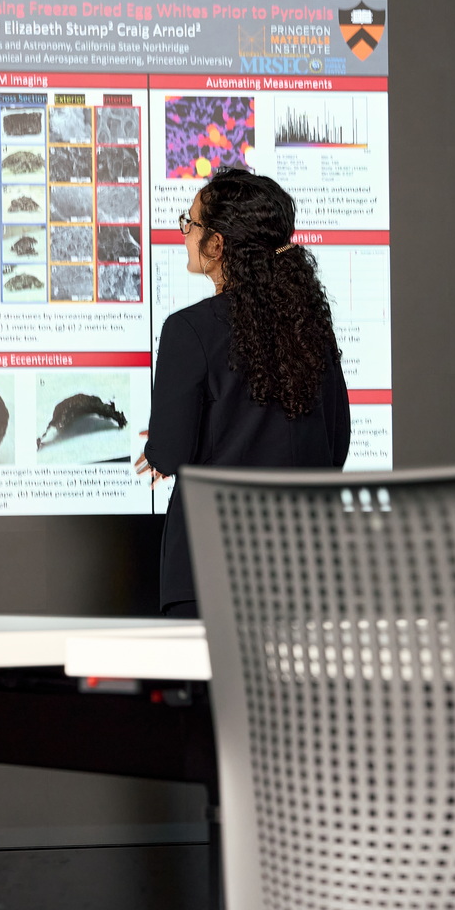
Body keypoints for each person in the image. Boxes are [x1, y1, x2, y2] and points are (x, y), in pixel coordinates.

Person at [137, 168, 350, 618]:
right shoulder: (312, 327)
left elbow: (171, 453)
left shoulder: (188, 330)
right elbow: (336, 444)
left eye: (190, 223)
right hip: (305, 571)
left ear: (217, 245)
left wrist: (160, 447)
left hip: (211, 569)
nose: (184, 233)